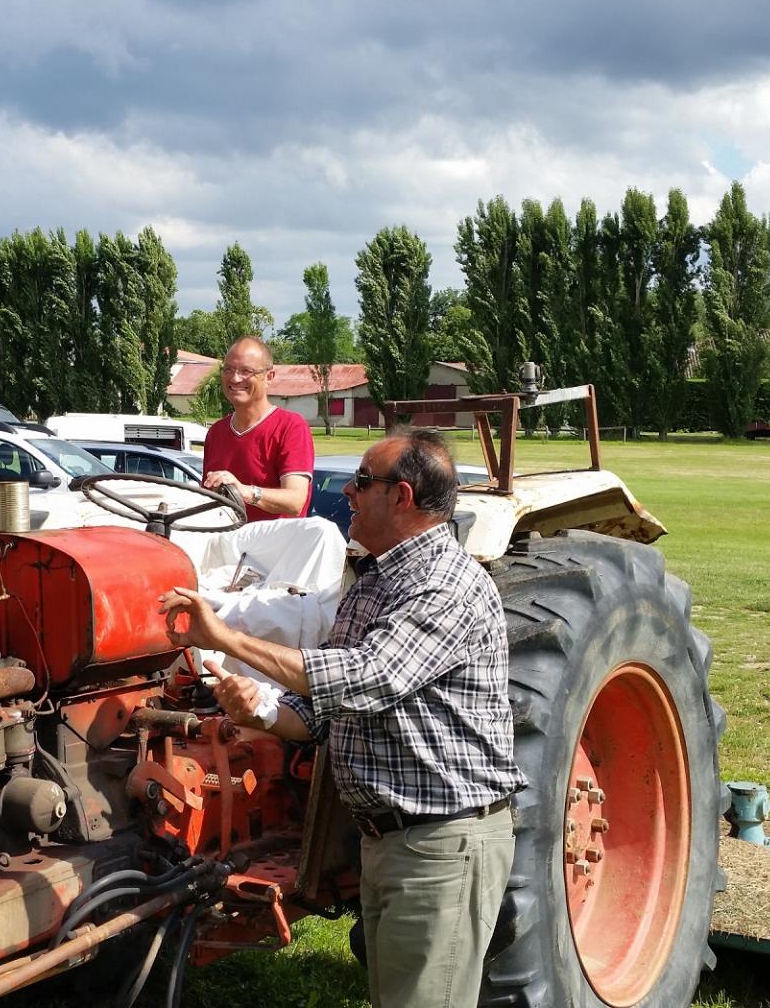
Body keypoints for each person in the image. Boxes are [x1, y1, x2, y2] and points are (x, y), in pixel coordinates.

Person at [160, 429, 524, 1008]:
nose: (347, 494)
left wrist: (226, 635)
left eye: (361, 482)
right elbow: (325, 712)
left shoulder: (446, 585)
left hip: (441, 842)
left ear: (401, 497)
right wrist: (261, 707)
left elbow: (368, 677)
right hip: (388, 839)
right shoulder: (376, 581)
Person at [200, 337, 315, 522]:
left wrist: (245, 491)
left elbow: (295, 501)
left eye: (246, 371)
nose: (235, 378)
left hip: (274, 548)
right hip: (226, 545)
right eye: (228, 369)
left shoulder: (291, 427)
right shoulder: (216, 432)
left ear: (269, 377)